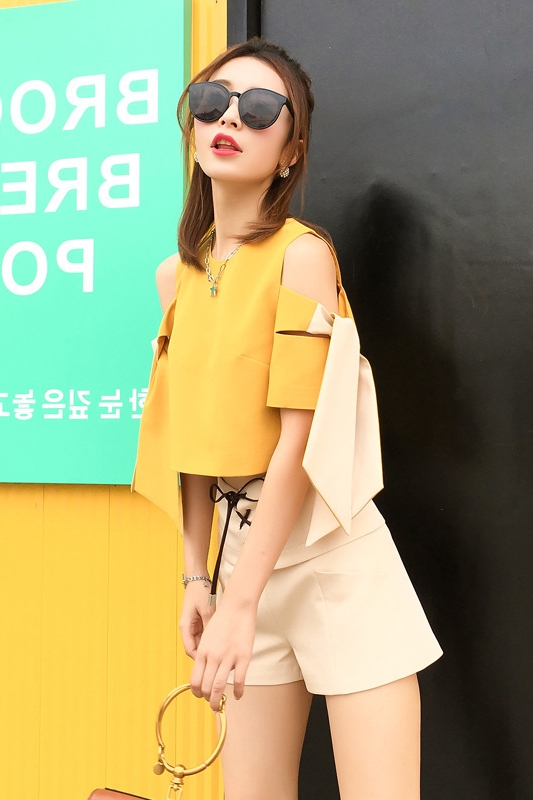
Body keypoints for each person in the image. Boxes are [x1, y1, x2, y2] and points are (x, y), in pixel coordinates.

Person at [133, 38, 442, 800]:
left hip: (331, 552)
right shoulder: (175, 278)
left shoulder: (303, 257)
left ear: (290, 152)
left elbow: (300, 437)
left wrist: (239, 601)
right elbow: (192, 439)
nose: (228, 119)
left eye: (259, 108)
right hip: (239, 559)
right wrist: (197, 576)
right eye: (211, 102)